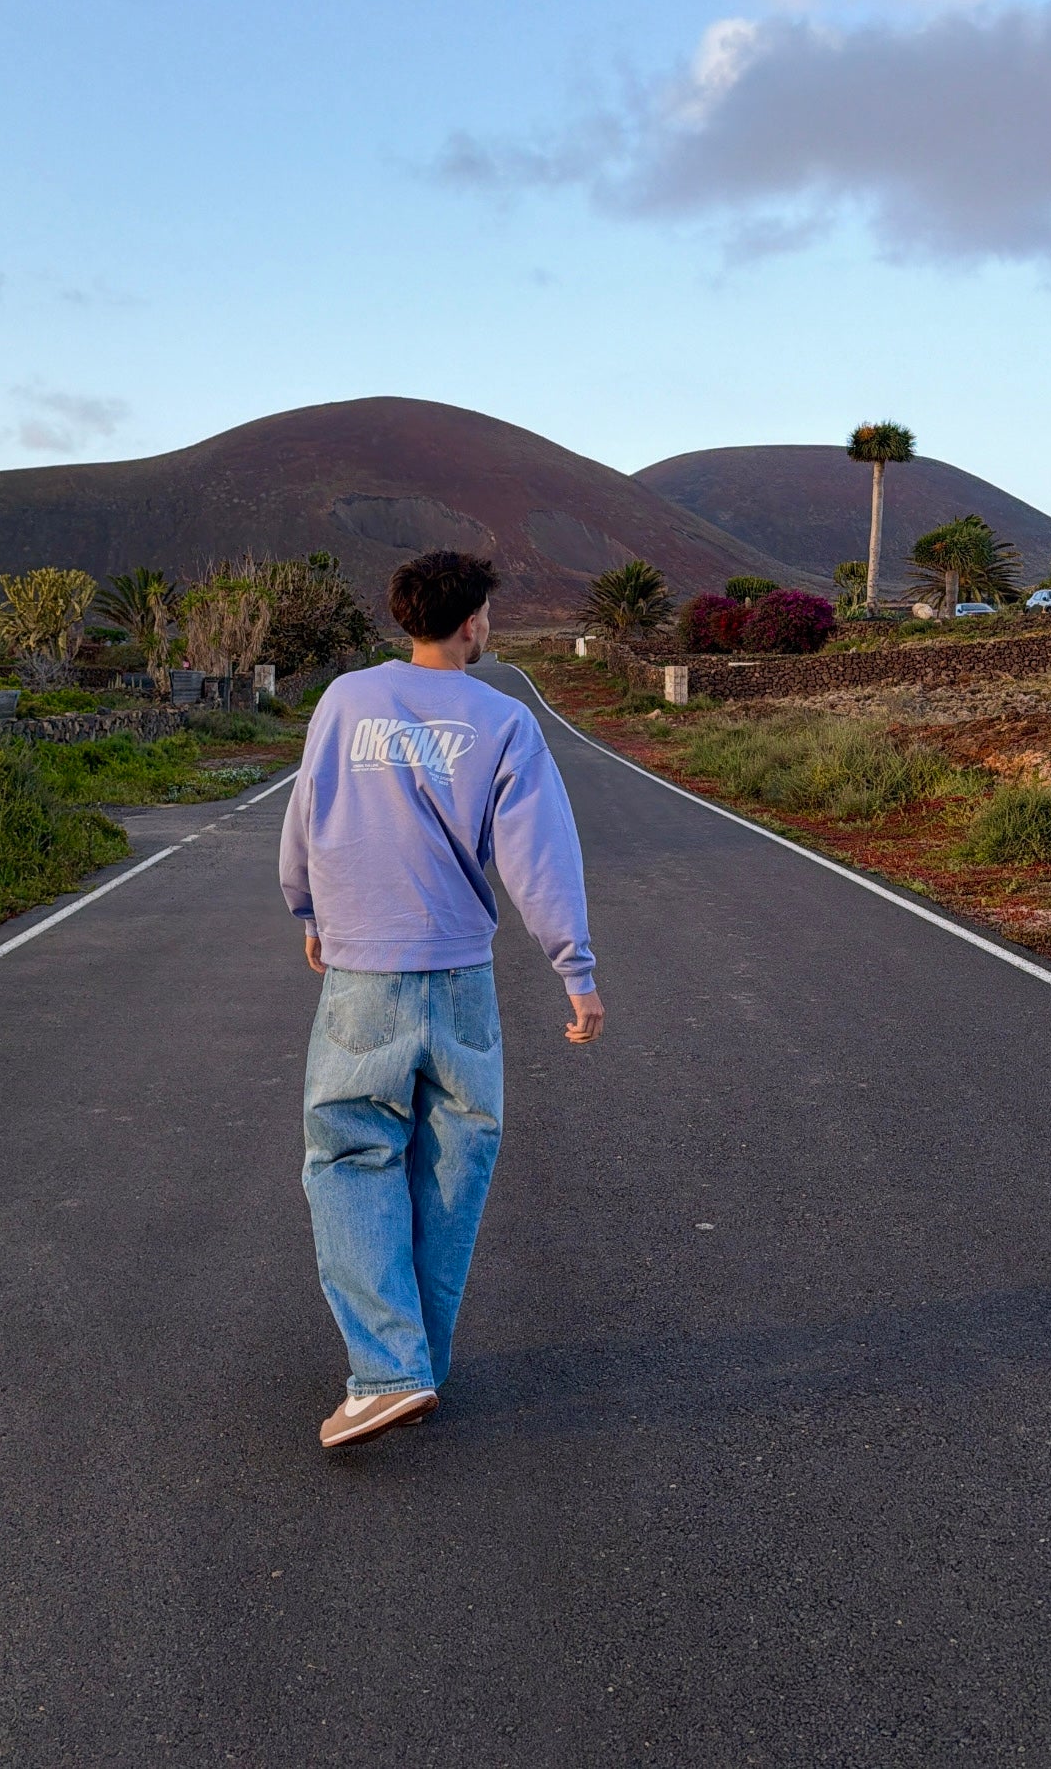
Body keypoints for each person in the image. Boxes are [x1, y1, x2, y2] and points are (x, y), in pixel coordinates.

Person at [279, 548, 604, 1450]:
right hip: (461, 978)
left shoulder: (344, 701)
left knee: (350, 1155)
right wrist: (574, 973)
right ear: (473, 623)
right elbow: (541, 855)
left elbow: (307, 815)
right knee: (452, 1168)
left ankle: (390, 1371)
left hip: (366, 977)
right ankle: (414, 1365)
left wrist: (309, 912)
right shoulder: (504, 721)